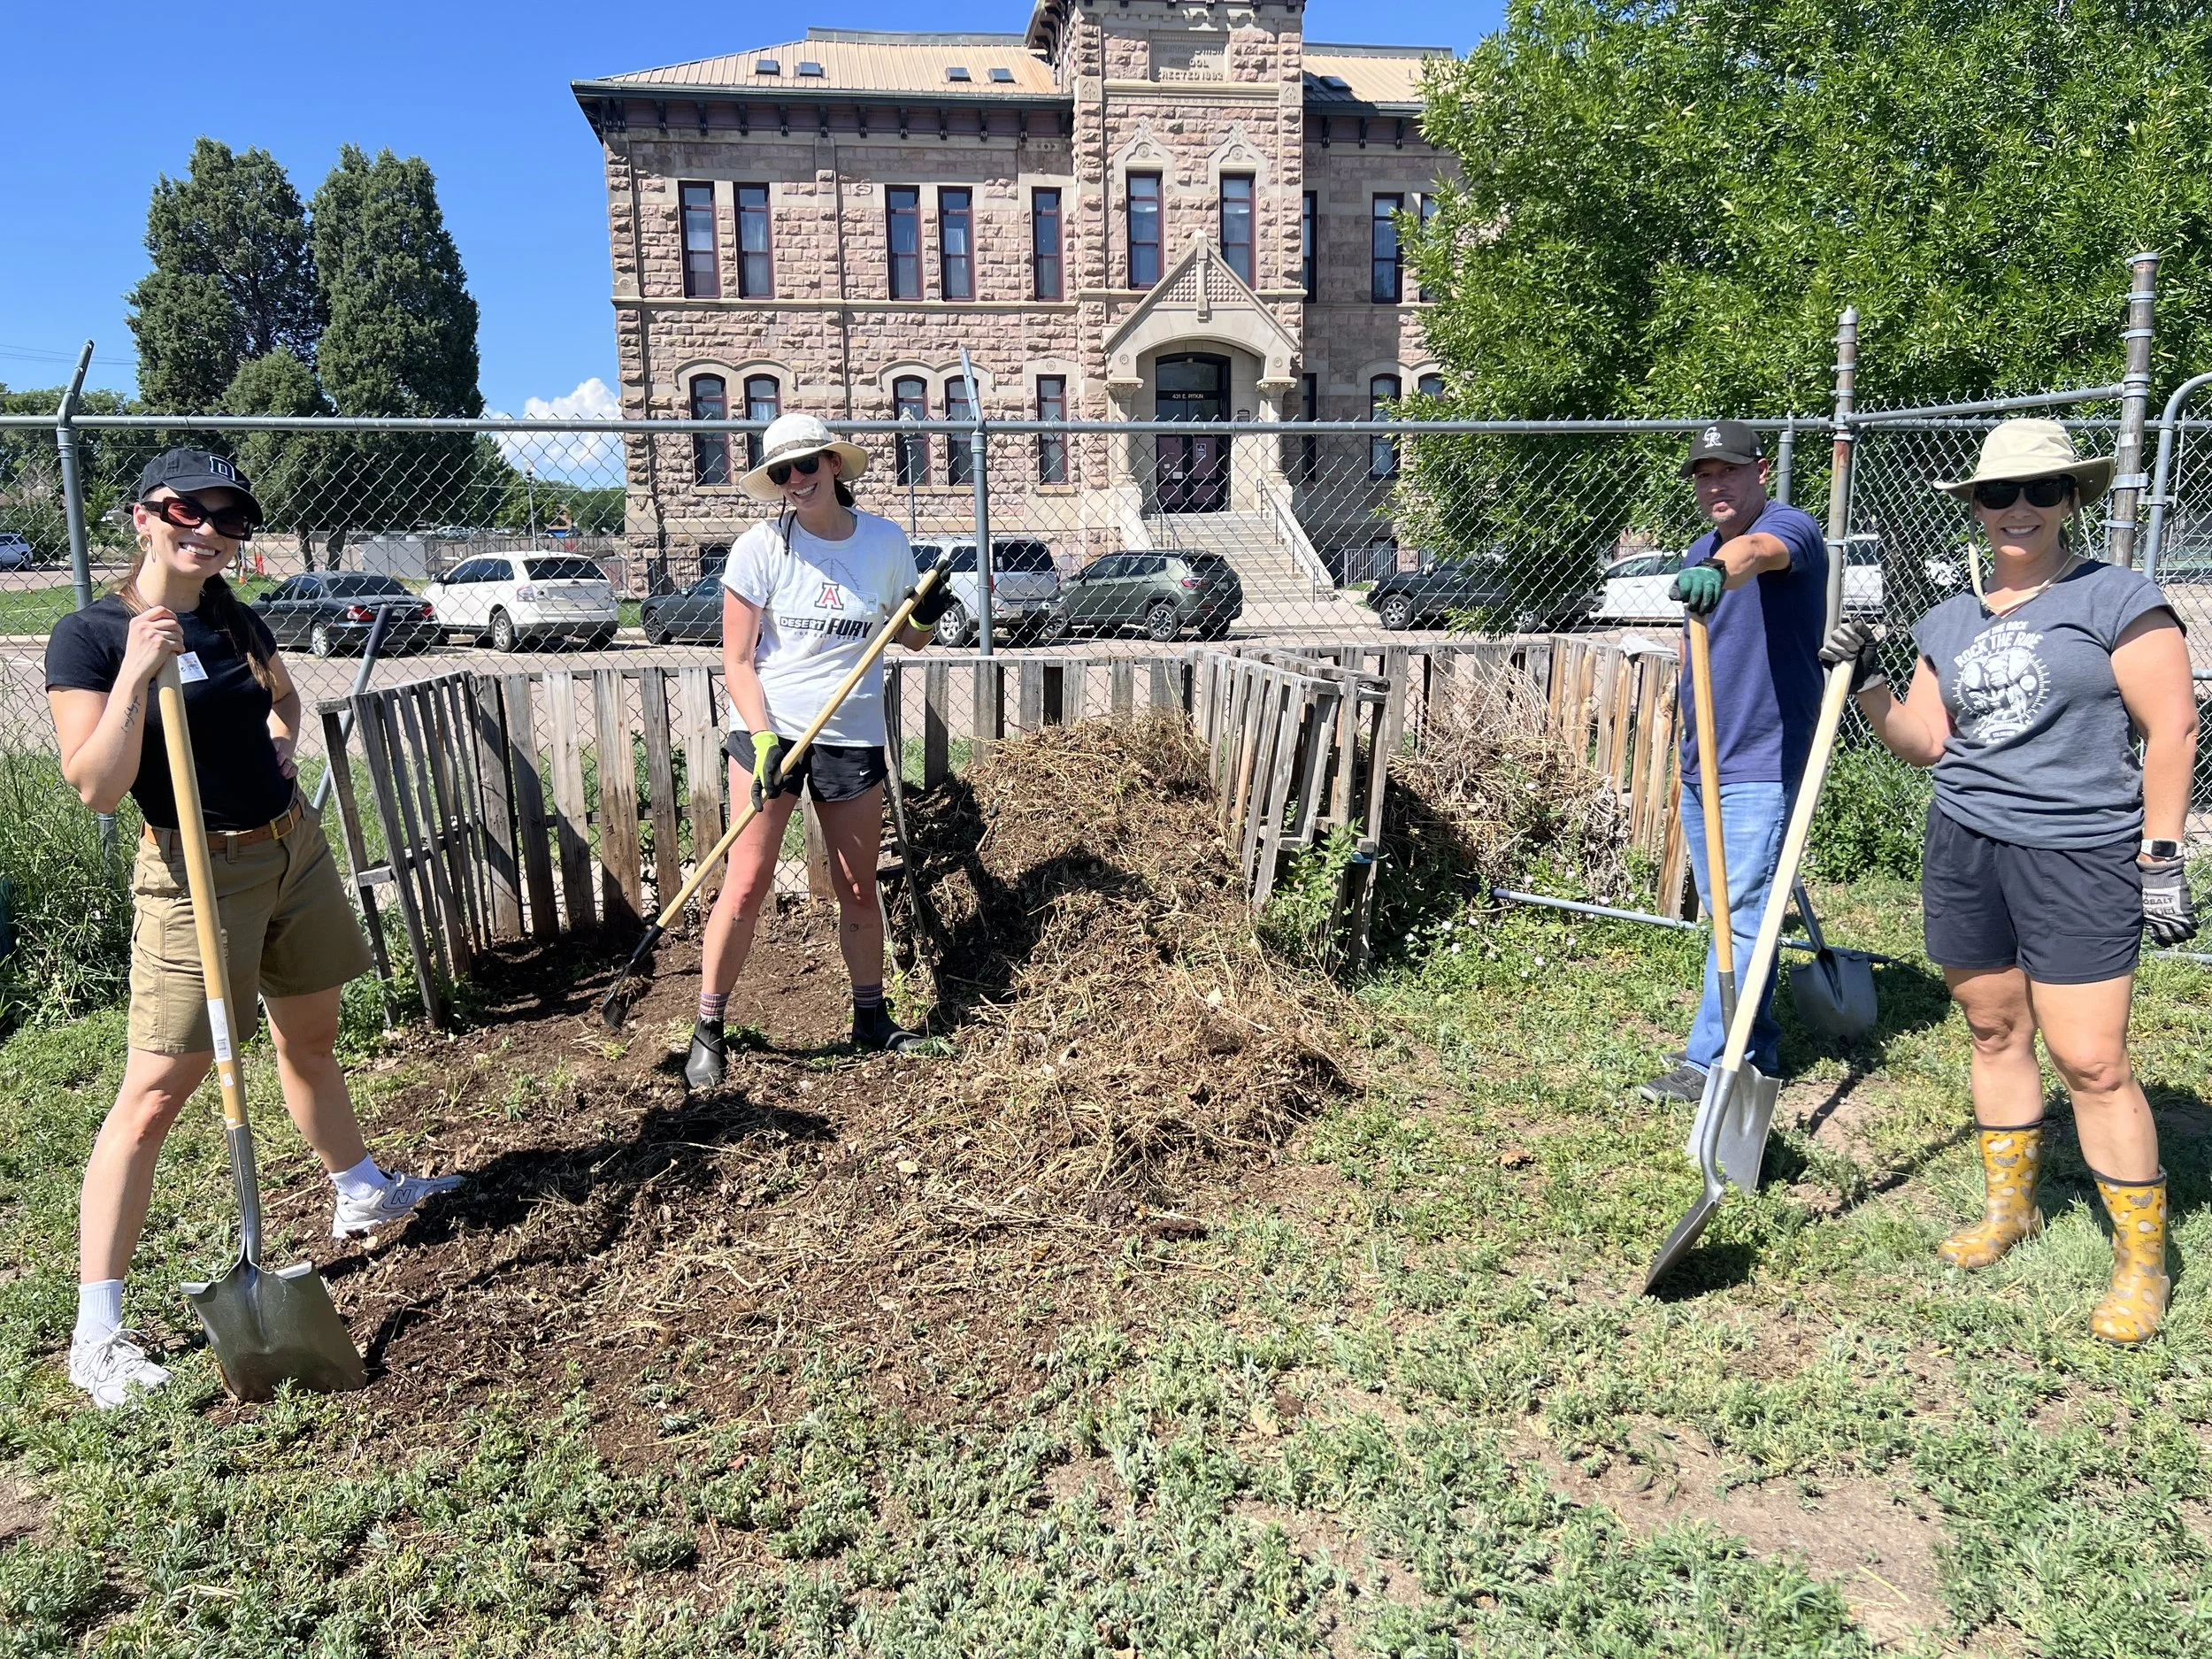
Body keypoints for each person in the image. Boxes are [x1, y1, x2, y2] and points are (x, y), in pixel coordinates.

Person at [45, 449, 461, 1409]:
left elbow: (279, 696)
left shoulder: (233, 615)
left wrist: (281, 738)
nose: (209, 532)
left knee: (310, 1036)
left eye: (229, 522)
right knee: (154, 1094)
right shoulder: (91, 635)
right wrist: (137, 676)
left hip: (289, 850)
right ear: (142, 517)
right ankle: (96, 1331)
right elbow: (96, 785)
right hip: (195, 874)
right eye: (188, 511)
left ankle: (358, 1188)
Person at [1821, 419, 2197, 1344]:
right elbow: (1925, 744)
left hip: (2076, 852)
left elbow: (2173, 728)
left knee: (2092, 1061)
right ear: (1976, 508)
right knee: (1994, 1031)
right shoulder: (1946, 621)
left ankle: (2141, 1262)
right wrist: (1870, 684)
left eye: (2041, 491)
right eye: (1999, 494)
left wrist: (2159, 852)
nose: (2018, 509)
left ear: (2070, 499)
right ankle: (2011, 1210)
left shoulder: (2118, 598)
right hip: (1966, 844)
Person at [684, 414, 953, 1087]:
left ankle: (870, 1018)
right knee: (744, 884)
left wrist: (924, 614)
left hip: (849, 731)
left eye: (805, 466)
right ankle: (708, 1027)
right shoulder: (759, 548)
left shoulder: (885, 544)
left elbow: (909, 639)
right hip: (770, 730)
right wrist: (767, 739)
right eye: (781, 473)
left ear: (834, 464)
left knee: (858, 886)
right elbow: (738, 660)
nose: (794, 482)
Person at [1640, 420, 1830, 1102]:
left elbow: (1758, 553)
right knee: (1725, 909)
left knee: (1744, 911)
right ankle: (1757, 1041)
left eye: (1727, 470)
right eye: (1703, 474)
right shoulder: (1701, 544)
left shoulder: (1790, 529)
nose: (1714, 483)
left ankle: (1710, 1062)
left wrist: (1720, 568)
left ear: (1758, 473)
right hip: (1705, 759)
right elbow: (1700, 641)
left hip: (1763, 754)